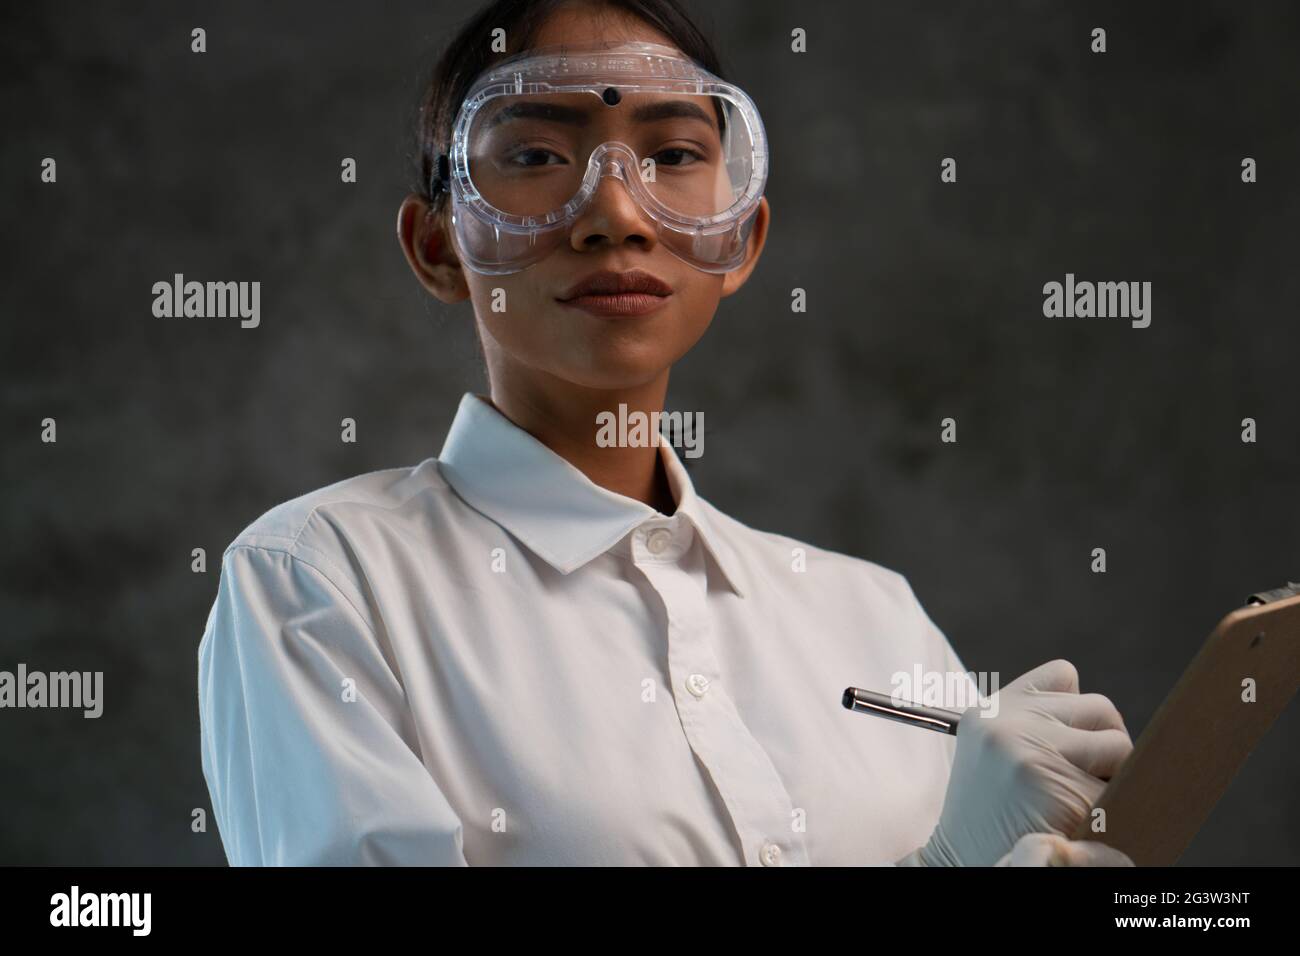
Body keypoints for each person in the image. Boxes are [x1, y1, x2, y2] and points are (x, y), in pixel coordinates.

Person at [197, 0, 1134, 867]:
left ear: (741, 240)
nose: (615, 212)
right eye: (533, 157)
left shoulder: (876, 616)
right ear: (439, 246)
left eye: (676, 154)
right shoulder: (318, 582)